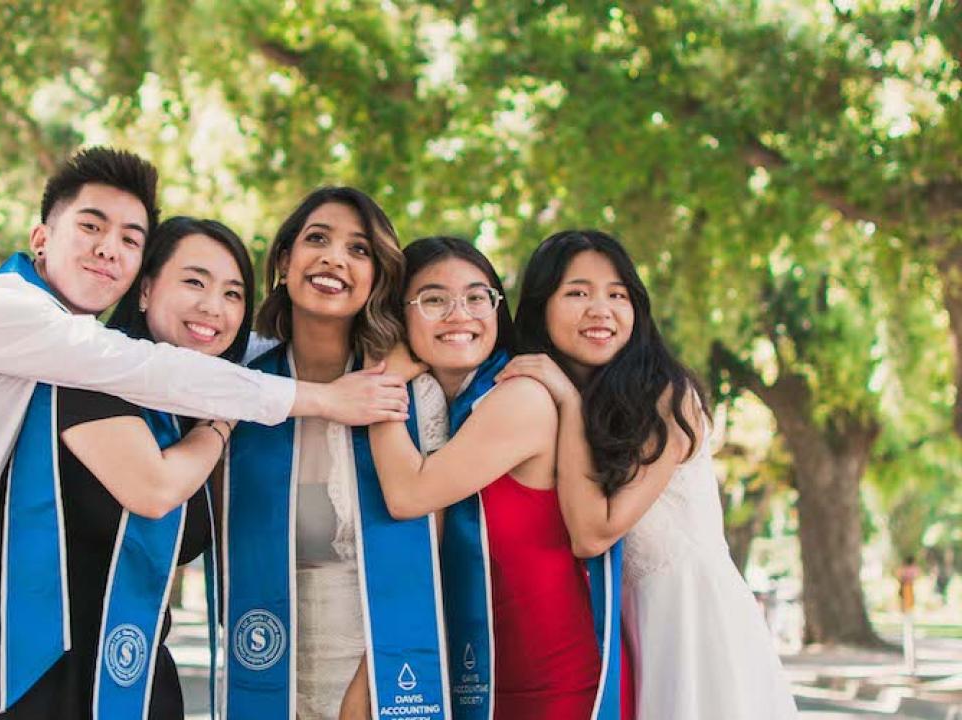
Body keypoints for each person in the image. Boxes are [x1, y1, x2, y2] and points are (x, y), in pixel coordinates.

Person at [0, 148, 408, 719]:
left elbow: (236, 357)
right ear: (42, 237)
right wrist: (292, 405)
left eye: (130, 238)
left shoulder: (137, 377)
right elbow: (152, 395)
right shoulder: (13, 314)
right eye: (91, 227)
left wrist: (419, 357)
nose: (109, 248)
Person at [0, 217, 253, 718]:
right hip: (36, 672)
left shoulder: (189, 416)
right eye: (194, 282)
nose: (214, 307)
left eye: (233, 293)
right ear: (144, 290)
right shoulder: (85, 372)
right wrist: (220, 424)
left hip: (137, 673)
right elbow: (154, 490)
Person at [497, 229, 797, 719]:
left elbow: (594, 532)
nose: (601, 310)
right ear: (539, 307)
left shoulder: (667, 398)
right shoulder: (559, 401)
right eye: (578, 293)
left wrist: (569, 403)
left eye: (618, 295)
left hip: (696, 627)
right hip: (630, 633)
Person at [367, 236, 632, 719]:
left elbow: (407, 495)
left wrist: (380, 380)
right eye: (434, 300)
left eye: (477, 297)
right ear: (398, 316)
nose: (459, 314)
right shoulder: (434, 411)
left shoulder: (519, 396)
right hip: (486, 677)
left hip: (559, 685)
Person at [220, 188, 452, 720]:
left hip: (380, 675)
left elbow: (426, 566)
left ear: (377, 278)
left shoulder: (412, 396)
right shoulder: (242, 393)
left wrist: (367, 691)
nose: (334, 259)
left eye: (358, 249)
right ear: (284, 261)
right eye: (317, 239)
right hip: (265, 670)